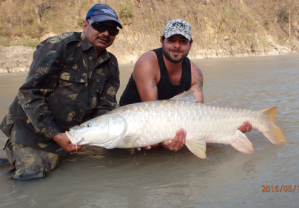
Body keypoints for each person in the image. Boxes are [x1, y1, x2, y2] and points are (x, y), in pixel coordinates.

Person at [0, 4, 122, 180]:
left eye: (112, 31)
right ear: (85, 25)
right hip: (33, 132)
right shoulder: (59, 47)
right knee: (31, 180)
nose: (106, 34)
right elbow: (30, 93)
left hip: (75, 135)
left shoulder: (111, 64)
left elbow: (106, 107)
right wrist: (57, 136)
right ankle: (17, 153)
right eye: (100, 26)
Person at [120, 19, 252, 152]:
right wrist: (165, 140)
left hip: (171, 128)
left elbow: (197, 116)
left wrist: (231, 127)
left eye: (183, 41)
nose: (176, 45)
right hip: (133, 128)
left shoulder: (195, 74)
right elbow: (153, 120)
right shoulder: (147, 64)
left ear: (191, 44)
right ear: (162, 41)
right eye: (171, 40)